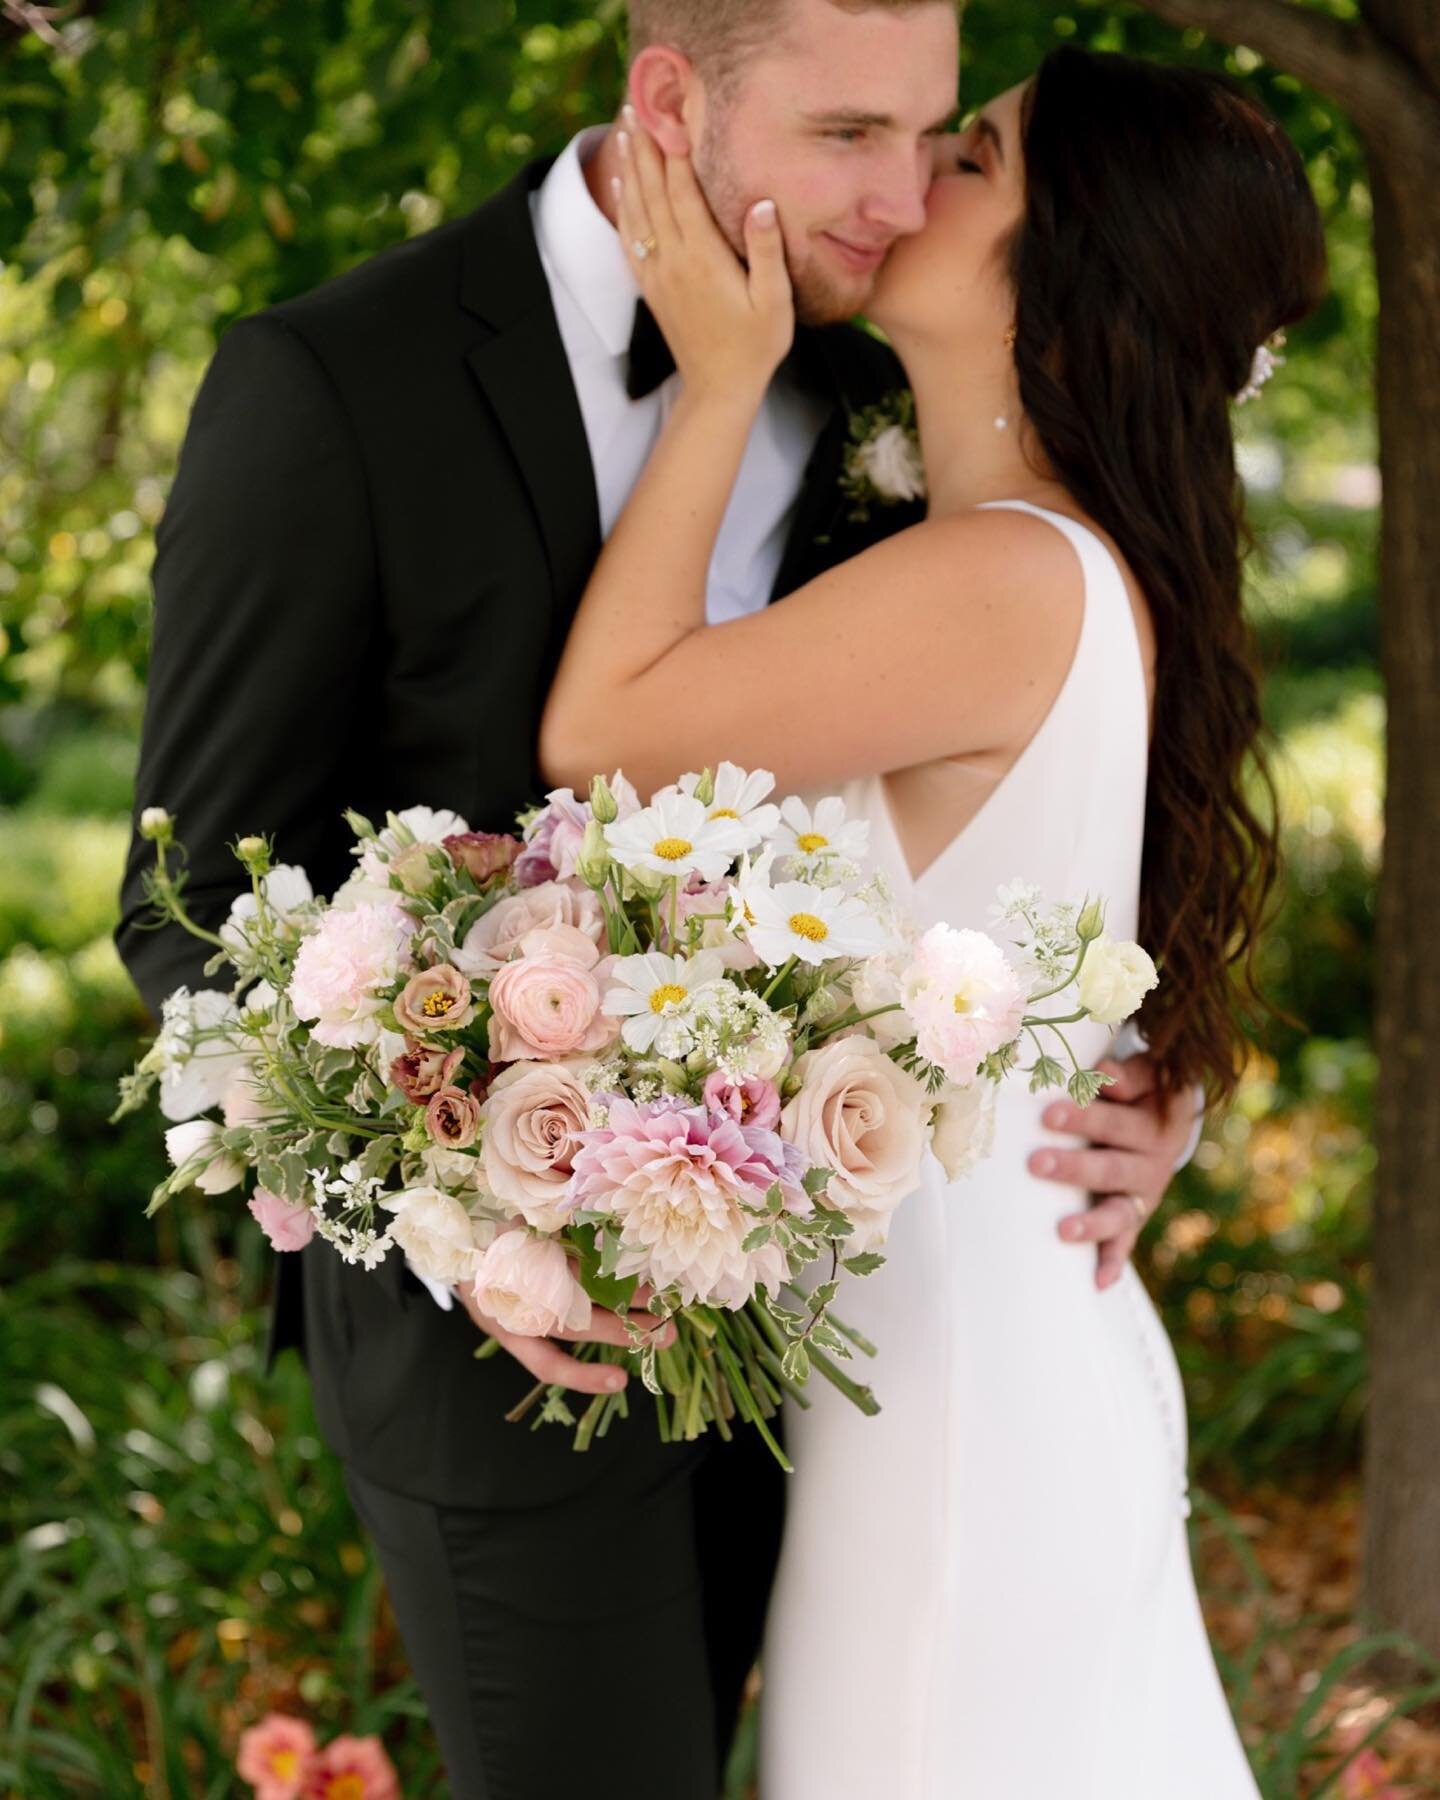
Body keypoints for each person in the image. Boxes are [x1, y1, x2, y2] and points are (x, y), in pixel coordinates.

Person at [115, 3, 1201, 1793]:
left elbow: (1050, 755)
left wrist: (1150, 1064)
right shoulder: (333, 386)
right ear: (670, 97)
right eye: (849, 134)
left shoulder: (888, 383)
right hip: (521, 1389)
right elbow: (187, 926)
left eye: (934, 136)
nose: (903, 194)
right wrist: (472, 1221)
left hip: (853, 1362)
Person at [537, 40, 1327, 1800]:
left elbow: (600, 736)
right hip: (975, 1372)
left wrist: (721, 382)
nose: (905, 188)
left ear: (1064, 271)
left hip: (959, 1417)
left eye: (971, 159)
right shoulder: (1036, 555)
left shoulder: (1003, 577)